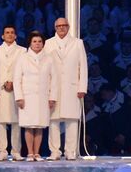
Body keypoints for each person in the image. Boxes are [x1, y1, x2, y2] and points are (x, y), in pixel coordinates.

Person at [48, 17, 89, 159]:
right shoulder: (48, 43)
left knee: (72, 120)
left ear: (68, 26)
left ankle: (70, 150)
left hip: (72, 87)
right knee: (53, 120)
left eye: (64, 25)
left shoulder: (78, 43)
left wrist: (82, 87)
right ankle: (55, 151)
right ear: (55, 27)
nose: (61, 28)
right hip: (54, 87)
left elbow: (83, 66)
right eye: (58, 26)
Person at [15, 31, 53, 159]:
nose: (37, 44)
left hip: (43, 96)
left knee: (39, 126)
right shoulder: (23, 58)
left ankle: (37, 152)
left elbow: (54, 79)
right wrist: (19, 97)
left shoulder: (49, 58)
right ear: (30, 43)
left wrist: (52, 97)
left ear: (43, 44)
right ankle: (30, 152)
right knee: (29, 126)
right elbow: (17, 79)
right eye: (34, 41)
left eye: (39, 42)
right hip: (27, 97)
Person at [0, 25, 24, 159]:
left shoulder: (22, 51)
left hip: (16, 89)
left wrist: (13, 82)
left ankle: (16, 151)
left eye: (12, 33)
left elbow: (24, 70)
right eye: (7, 33)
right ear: (2, 36)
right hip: (1, 89)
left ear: (16, 35)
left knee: (16, 121)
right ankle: (2, 151)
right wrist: (3, 83)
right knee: (1, 121)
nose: (10, 35)